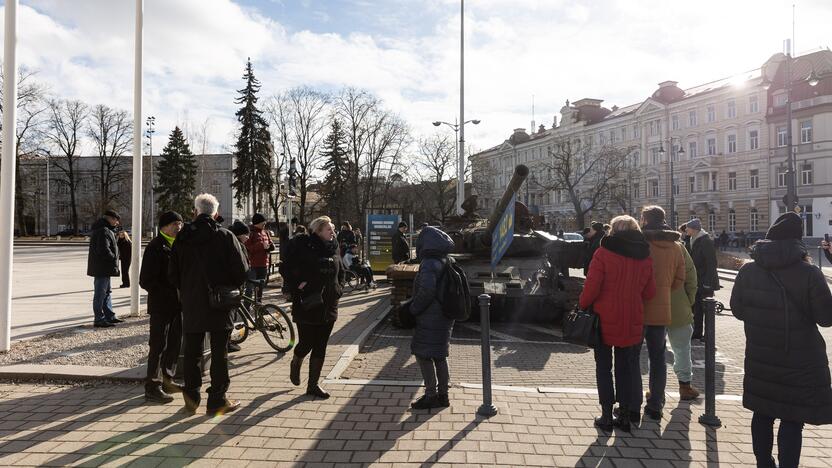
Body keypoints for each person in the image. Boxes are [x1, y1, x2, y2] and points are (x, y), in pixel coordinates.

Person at [730, 212, 832, 468]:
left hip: (760, 355)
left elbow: (738, 310)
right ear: (798, 241)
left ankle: (764, 463)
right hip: (799, 359)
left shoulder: (748, 270)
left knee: (762, 412)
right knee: (792, 419)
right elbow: (826, 318)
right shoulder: (809, 273)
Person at [168, 193, 249, 416]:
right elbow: (242, 271)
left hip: (192, 302)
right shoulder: (225, 236)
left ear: (195, 211)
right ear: (215, 213)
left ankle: (191, 398)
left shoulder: (182, 238)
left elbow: (172, 274)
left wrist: (187, 290)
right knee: (219, 352)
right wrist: (227, 285)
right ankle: (217, 400)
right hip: (220, 303)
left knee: (193, 351)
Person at [579, 215, 656, 433]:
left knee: (604, 367)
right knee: (625, 367)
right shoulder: (645, 256)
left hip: (604, 318)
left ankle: (605, 415)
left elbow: (592, 287)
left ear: (612, 230)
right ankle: (623, 415)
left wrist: (582, 304)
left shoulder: (603, 253)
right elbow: (650, 292)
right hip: (632, 318)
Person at [282, 216, 342, 399]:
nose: (332, 232)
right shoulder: (304, 246)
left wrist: (339, 288)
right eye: (328, 229)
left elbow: (341, 270)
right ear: (317, 231)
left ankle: (313, 385)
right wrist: (299, 285)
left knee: (321, 345)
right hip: (308, 304)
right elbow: (286, 268)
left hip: (329, 304)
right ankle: (296, 360)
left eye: (332, 229)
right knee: (306, 343)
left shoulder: (334, 247)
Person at [640, 205, 686, 421]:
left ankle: (630, 403)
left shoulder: (640, 243)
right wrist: (664, 291)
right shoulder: (676, 246)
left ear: (646, 220)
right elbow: (680, 279)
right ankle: (656, 404)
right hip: (662, 309)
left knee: (631, 356)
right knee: (658, 357)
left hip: (637, 307)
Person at [140, 211, 185, 404]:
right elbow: (145, 280)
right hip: (161, 305)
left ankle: (168, 380)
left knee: (174, 344)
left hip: (178, 305)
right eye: (175, 223)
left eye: (181, 223)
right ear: (165, 226)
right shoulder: (156, 247)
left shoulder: (180, 245)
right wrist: (166, 293)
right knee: (158, 345)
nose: (179, 227)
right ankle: (152, 386)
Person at [409, 226, 456, 409]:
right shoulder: (446, 259)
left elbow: (427, 291)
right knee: (440, 355)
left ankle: (431, 395)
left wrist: (413, 308)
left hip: (430, 315)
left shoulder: (429, 263)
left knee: (423, 354)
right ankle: (443, 395)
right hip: (444, 315)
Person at [669, 236, 700, 400]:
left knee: (655, 351)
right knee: (682, 349)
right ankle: (685, 386)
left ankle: (655, 389)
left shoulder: (643, 245)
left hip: (650, 307)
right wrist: (689, 300)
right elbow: (691, 274)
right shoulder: (678, 247)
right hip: (679, 305)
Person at [87, 210, 122, 328]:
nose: (117, 222)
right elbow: (104, 250)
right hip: (102, 268)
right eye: (116, 220)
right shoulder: (103, 230)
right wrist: (113, 258)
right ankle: (99, 318)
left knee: (106, 292)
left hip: (104, 267)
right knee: (100, 294)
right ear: (109, 219)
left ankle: (109, 316)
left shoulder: (105, 229)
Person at [686, 218, 720, 341]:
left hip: (705, 281)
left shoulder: (705, 241)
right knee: (697, 308)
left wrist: (708, 282)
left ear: (694, 229)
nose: (686, 229)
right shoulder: (691, 240)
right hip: (696, 280)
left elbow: (711, 263)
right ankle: (697, 332)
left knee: (707, 310)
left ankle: (708, 335)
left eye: (688, 227)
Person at [245, 213, 275, 300]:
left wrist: (271, 247)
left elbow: (270, 243)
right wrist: (260, 245)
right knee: (250, 289)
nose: (265, 224)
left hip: (263, 264)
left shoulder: (265, 232)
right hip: (253, 266)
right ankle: (247, 308)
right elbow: (247, 248)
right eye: (263, 222)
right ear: (257, 223)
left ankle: (258, 306)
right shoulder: (250, 233)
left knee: (260, 287)